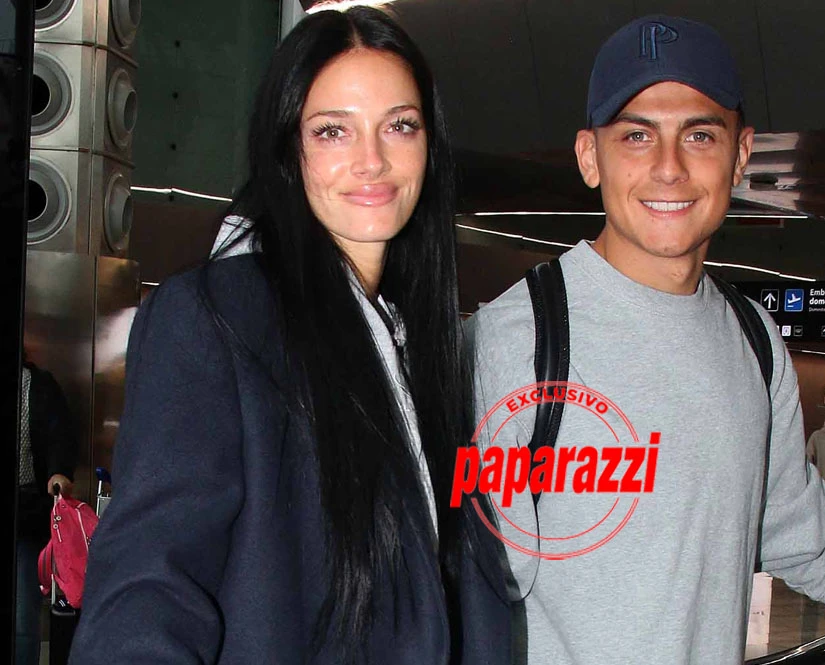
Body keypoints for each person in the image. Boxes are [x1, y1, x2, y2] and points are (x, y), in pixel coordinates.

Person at [469, 15, 825, 665]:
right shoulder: (514, 343)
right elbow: (456, 590)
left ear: (741, 155)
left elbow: (809, 539)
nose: (669, 168)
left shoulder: (754, 342)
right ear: (589, 157)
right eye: (636, 136)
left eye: (699, 135)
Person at [70, 8, 508, 664]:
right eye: (333, 131)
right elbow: (149, 578)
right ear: (288, 150)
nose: (372, 160)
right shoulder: (217, 319)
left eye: (400, 126)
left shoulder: (421, 341)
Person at [16, 356, 78, 665]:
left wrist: (58, 472)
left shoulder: (38, 385)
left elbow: (59, 437)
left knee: (23, 617)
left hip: (25, 509)